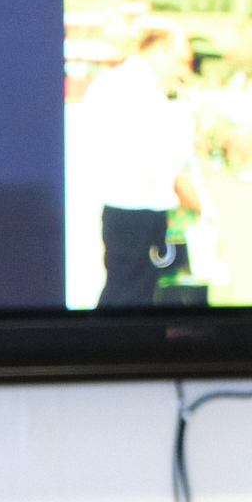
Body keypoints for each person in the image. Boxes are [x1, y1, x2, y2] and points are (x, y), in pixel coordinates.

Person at [82, 27, 203, 307]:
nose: (183, 72)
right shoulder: (143, 95)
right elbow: (168, 164)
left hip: (119, 210)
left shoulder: (111, 84)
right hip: (140, 214)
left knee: (122, 291)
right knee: (132, 299)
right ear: (160, 54)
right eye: (180, 61)